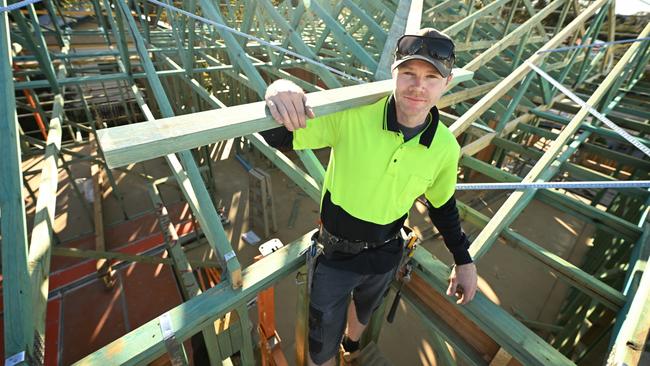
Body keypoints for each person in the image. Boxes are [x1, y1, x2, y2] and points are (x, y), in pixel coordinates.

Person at [261, 28, 478, 366]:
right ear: (395, 73)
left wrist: (463, 259)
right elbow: (278, 135)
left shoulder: (445, 147)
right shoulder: (352, 117)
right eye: (408, 73)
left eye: (431, 77)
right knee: (320, 348)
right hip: (334, 256)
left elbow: (443, 205)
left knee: (366, 308)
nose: (417, 86)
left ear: (446, 83)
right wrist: (278, 91)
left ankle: (352, 343)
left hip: (386, 252)